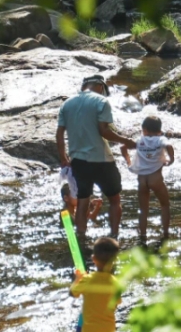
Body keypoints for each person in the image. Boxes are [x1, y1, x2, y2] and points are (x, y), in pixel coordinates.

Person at [56, 74, 136, 244]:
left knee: (83, 200)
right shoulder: (101, 101)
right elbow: (103, 131)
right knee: (114, 199)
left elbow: (59, 133)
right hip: (102, 159)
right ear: (100, 87)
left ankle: (81, 237)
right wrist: (126, 141)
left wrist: (63, 157)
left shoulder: (67, 103)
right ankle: (114, 236)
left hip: (78, 160)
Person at [120, 115, 175, 245]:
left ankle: (143, 236)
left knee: (143, 209)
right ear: (159, 130)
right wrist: (171, 160)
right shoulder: (161, 139)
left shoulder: (140, 140)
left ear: (143, 129)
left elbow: (123, 147)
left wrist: (128, 160)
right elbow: (169, 146)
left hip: (142, 180)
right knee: (165, 205)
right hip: (155, 178)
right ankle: (166, 233)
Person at [69, 236, 121, 332]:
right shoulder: (116, 283)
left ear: (93, 258)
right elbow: (115, 304)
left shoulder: (86, 280)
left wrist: (77, 279)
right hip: (108, 330)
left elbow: (73, 293)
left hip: (89, 330)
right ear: (114, 262)